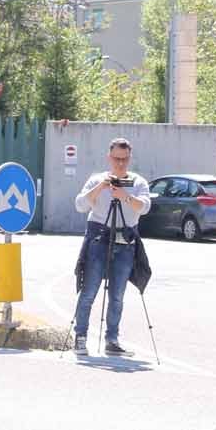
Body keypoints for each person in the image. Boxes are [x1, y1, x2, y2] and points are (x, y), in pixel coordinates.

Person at [72, 137, 151, 357]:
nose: (120, 164)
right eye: (116, 159)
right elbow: (80, 205)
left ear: (130, 158)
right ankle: (80, 337)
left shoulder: (138, 183)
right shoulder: (96, 180)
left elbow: (144, 207)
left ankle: (112, 340)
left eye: (124, 160)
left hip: (125, 243)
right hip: (99, 240)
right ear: (109, 158)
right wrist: (101, 187)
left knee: (117, 296)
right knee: (88, 292)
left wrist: (125, 196)